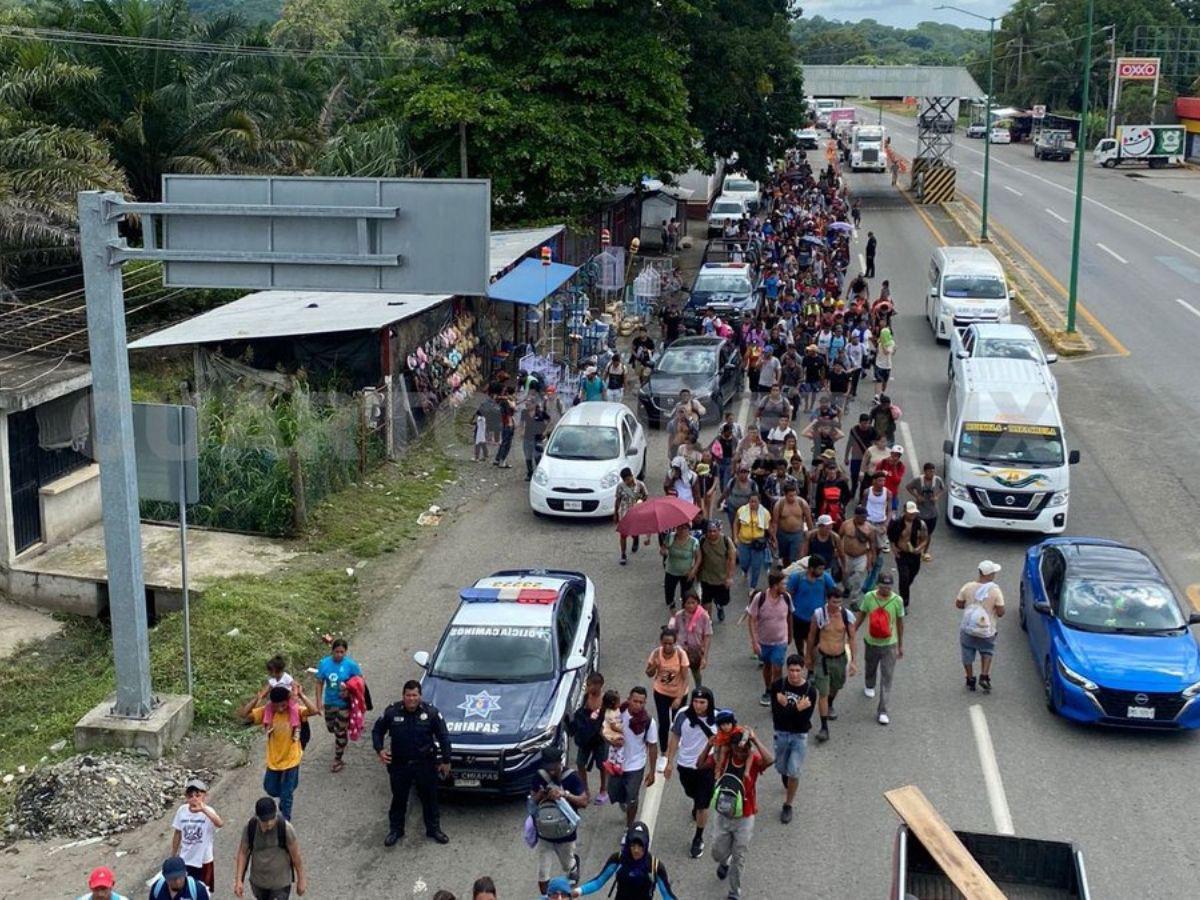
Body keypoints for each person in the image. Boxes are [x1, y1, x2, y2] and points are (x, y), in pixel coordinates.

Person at [698, 722, 773, 900]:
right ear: (731, 747)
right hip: (723, 815)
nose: (741, 753)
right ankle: (724, 862)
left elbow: (769, 760)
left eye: (745, 749)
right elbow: (699, 764)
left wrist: (755, 739)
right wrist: (709, 744)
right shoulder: (722, 758)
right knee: (717, 853)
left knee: (739, 856)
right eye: (737, 750)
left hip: (745, 817)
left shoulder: (753, 760)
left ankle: (734, 892)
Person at [372, 679, 452, 846]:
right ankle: (396, 830)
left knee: (429, 798)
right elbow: (377, 730)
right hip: (400, 764)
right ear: (403, 696)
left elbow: (443, 736)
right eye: (408, 695)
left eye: (415, 695)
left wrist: (446, 760)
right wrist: (380, 749)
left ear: (420, 696)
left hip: (425, 764)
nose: (411, 699)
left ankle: (433, 829)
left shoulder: (431, 713)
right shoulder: (392, 712)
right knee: (399, 798)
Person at [237, 681, 317, 821]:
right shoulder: (266, 712)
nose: (280, 709)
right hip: (274, 760)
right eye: (276, 706)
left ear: (288, 701)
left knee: (286, 796)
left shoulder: (296, 711)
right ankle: (288, 791)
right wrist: (258, 698)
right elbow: (244, 714)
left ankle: (285, 822)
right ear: (271, 704)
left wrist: (301, 695)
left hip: (292, 759)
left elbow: (314, 710)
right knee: (270, 788)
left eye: (283, 705)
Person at [664, 688, 717, 860]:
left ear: (709, 703)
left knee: (703, 804)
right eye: (695, 701)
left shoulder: (717, 717)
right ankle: (696, 802)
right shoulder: (682, 715)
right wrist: (669, 762)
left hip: (706, 767)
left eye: (702, 702)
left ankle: (698, 837)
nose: (698, 705)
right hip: (686, 765)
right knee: (691, 793)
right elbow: (675, 737)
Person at [530, 746, 588, 895]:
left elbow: (584, 801)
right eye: (547, 768)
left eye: (553, 768)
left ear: (559, 763)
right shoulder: (539, 776)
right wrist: (542, 794)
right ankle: (545, 897)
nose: (551, 771)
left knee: (568, 867)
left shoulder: (572, 777)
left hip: (566, 834)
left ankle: (574, 866)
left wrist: (564, 794)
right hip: (544, 833)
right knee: (543, 873)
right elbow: (532, 802)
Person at [770, 655, 818, 824]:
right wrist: (797, 707)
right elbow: (777, 716)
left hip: (799, 735)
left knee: (794, 771)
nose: (794, 674)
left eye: (798, 670)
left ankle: (788, 804)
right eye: (791, 670)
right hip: (781, 733)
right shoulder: (778, 686)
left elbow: (803, 720)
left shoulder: (810, 691)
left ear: (803, 670)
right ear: (787, 669)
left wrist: (788, 708)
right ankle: (786, 777)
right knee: (781, 767)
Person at [574, 822, 677, 899]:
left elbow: (667, 895)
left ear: (646, 845)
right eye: (633, 845)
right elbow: (598, 882)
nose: (636, 850)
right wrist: (578, 891)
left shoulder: (655, 866)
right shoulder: (618, 859)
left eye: (640, 846)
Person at [806, 590, 857, 743]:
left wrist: (854, 661)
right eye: (834, 602)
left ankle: (830, 704)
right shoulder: (819, 615)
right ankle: (824, 727)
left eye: (840, 602)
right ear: (827, 600)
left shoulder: (846, 615)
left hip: (840, 658)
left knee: (836, 686)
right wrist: (808, 656)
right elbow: (811, 636)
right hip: (823, 658)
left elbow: (852, 638)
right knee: (823, 692)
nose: (837, 605)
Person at [855, 572, 904, 725]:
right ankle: (869, 684)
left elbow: (900, 623)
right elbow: (862, 614)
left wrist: (900, 645)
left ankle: (883, 710)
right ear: (878, 585)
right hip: (871, 641)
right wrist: (852, 633)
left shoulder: (897, 601)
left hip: (889, 644)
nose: (885, 590)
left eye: (888, 587)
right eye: (883, 587)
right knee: (870, 666)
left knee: (887, 677)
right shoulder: (869, 597)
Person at [234, 797, 305, 900]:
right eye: (264, 821)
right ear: (257, 817)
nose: (269, 824)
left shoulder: (285, 829)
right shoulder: (250, 827)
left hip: (280, 884)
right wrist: (238, 880)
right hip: (258, 884)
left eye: (271, 819)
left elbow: (296, 856)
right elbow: (243, 853)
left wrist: (301, 879)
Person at [608, 688, 659, 828]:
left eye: (641, 702)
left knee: (632, 798)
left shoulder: (648, 722)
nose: (638, 705)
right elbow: (604, 729)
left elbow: (653, 746)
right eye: (635, 701)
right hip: (616, 763)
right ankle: (623, 801)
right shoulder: (617, 713)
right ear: (629, 699)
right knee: (614, 792)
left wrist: (652, 771)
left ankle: (629, 826)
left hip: (635, 765)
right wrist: (610, 740)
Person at [956, 560, 1006, 693]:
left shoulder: (968, 587)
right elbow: (1001, 612)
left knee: (967, 652)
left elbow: (959, 604)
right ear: (990, 575)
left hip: (968, 629)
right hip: (987, 631)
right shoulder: (995, 590)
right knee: (987, 651)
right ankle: (984, 676)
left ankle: (970, 678)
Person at [314, 638, 363, 773]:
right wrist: (318, 701)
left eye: (342, 652)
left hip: (344, 704)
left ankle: (338, 758)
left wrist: (348, 691)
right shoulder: (324, 664)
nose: (339, 655)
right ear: (332, 651)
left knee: (340, 732)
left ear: (345, 652)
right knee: (332, 729)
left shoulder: (351, 665)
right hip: (329, 702)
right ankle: (341, 740)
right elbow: (319, 683)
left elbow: (360, 682)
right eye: (337, 652)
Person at [746, 571, 793, 707]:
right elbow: (752, 620)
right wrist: (754, 642)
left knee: (777, 667)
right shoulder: (760, 598)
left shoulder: (786, 597)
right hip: (764, 641)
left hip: (780, 641)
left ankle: (777, 693)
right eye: (783, 583)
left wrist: (790, 634)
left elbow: (790, 615)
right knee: (767, 666)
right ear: (775, 585)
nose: (785, 586)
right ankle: (768, 688)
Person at [170, 778, 222, 893]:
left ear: (204, 795)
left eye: (197, 795)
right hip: (186, 859)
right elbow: (177, 833)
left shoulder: (208, 811)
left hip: (204, 860)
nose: (194, 798)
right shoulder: (182, 811)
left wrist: (203, 809)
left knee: (203, 891)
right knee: (185, 890)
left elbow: (219, 823)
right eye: (190, 795)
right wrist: (173, 855)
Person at [646, 627, 691, 753]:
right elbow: (649, 673)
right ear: (661, 642)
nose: (667, 646)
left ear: (675, 643)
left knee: (677, 721)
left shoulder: (681, 655)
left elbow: (686, 679)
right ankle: (663, 752)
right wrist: (654, 666)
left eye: (670, 644)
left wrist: (679, 698)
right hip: (661, 692)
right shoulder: (656, 653)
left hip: (678, 692)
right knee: (664, 723)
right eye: (665, 643)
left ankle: (679, 744)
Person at [785, 555, 836, 656]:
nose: (822, 571)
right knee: (798, 638)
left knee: (814, 643)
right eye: (819, 569)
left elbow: (834, 592)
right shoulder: (797, 577)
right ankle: (800, 654)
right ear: (811, 568)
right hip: (798, 617)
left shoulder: (825, 578)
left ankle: (811, 663)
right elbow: (788, 595)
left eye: (823, 569)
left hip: (817, 618)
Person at [572, 672, 610, 804]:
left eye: (591, 686)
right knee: (580, 762)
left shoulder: (606, 700)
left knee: (603, 765)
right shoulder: (584, 698)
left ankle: (603, 789)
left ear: (599, 685)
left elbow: (613, 716)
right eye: (588, 685)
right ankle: (585, 790)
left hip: (600, 737)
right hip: (586, 736)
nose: (589, 688)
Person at [888, 501, 929, 608]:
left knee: (912, 575)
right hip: (902, 554)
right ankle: (903, 602)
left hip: (915, 555)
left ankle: (904, 589)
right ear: (905, 512)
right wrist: (894, 548)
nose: (912, 515)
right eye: (910, 513)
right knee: (904, 577)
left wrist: (919, 548)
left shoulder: (920, 523)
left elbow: (925, 539)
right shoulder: (896, 523)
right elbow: (891, 537)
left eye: (914, 513)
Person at [696, 520, 737, 622]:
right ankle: (707, 622)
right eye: (709, 531)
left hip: (721, 577)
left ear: (719, 530)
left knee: (723, 600)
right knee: (706, 600)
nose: (712, 533)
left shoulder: (726, 541)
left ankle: (719, 606)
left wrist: (729, 577)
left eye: (714, 531)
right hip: (706, 577)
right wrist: (696, 572)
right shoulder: (702, 540)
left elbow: (732, 559)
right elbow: (698, 557)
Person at [670, 592, 713, 687]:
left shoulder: (704, 616)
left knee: (696, 672)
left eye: (693, 602)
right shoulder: (679, 616)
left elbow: (707, 635)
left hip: (695, 650)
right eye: (688, 603)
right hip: (681, 649)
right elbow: (674, 631)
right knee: (678, 671)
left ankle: (698, 689)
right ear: (684, 604)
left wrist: (704, 656)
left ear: (698, 603)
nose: (690, 605)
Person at [839, 506, 877, 607]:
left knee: (859, 578)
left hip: (861, 556)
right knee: (845, 576)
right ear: (856, 516)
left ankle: (854, 600)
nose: (865, 519)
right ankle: (847, 588)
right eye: (863, 517)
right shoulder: (846, 524)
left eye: (865, 517)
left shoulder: (869, 528)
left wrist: (873, 557)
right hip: (847, 555)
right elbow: (839, 537)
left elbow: (872, 544)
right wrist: (838, 551)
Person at [734, 494, 772, 594]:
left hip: (758, 544)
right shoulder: (742, 510)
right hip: (744, 542)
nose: (753, 504)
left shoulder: (765, 513)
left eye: (755, 501)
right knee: (744, 562)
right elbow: (736, 523)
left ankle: (753, 586)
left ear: (759, 501)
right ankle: (745, 570)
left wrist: (773, 539)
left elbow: (768, 528)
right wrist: (735, 537)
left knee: (756, 566)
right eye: (751, 501)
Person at [906, 463, 945, 561]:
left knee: (929, 534)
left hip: (932, 512)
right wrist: (917, 496)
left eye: (933, 471)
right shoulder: (918, 480)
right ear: (925, 471)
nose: (931, 474)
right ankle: (915, 549)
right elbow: (908, 487)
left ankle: (925, 551)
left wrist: (937, 496)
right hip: (920, 512)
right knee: (917, 532)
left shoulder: (937, 480)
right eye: (929, 471)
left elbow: (943, 489)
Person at [659, 522, 700, 611]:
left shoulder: (694, 541)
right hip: (671, 571)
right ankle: (672, 608)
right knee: (669, 593)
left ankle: (685, 613)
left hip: (686, 573)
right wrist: (663, 551)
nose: (681, 530)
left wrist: (693, 571)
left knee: (686, 594)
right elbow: (663, 548)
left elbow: (698, 558)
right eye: (679, 528)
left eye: (684, 528)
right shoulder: (670, 537)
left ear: (689, 530)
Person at [771, 483, 812, 568]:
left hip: (797, 534)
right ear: (785, 495)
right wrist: (774, 537)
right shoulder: (779, 505)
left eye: (794, 495)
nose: (792, 498)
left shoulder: (802, 503)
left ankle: (792, 573)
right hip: (782, 534)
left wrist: (810, 534)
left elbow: (808, 519)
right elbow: (774, 522)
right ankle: (786, 572)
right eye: (790, 496)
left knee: (794, 558)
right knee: (785, 557)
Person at [614, 467, 649, 565]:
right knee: (623, 535)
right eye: (625, 480)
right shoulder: (620, 487)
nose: (627, 481)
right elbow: (618, 500)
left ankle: (635, 538)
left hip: (636, 513)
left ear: (632, 476)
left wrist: (641, 502)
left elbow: (645, 496)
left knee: (634, 531)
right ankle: (623, 554)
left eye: (628, 479)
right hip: (624, 514)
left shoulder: (640, 485)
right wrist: (616, 513)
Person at [521, 390, 552, 481]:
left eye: (528, 404)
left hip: (538, 438)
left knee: (537, 456)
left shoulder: (541, 413)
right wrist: (521, 430)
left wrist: (545, 432)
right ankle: (529, 473)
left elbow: (549, 420)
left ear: (534, 405)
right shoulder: (524, 412)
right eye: (526, 404)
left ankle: (539, 473)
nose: (527, 406)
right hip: (527, 437)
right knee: (528, 456)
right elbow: (522, 423)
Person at [802, 514, 845, 579]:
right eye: (827, 527)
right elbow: (804, 552)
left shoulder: (835, 537)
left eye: (830, 526)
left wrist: (844, 567)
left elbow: (841, 554)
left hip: (827, 568)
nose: (829, 529)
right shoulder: (811, 536)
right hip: (812, 568)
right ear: (820, 526)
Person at [844, 413, 875, 496]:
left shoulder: (872, 431)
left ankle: (862, 496)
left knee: (864, 479)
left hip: (867, 459)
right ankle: (853, 489)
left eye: (868, 423)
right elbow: (849, 443)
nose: (866, 425)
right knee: (854, 475)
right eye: (864, 423)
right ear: (860, 422)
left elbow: (874, 445)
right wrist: (846, 457)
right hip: (856, 457)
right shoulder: (854, 430)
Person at [862, 471, 893, 553]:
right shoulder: (867, 492)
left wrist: (886, 524)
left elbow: (889, 510)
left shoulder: (888, 493)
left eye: (884, 481)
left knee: (879, 547)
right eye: (880, 480)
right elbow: (863, 507)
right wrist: (863, 521)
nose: (882, 483)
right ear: (874, 481)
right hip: (868, 522)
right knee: (867, 546)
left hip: (880, 523)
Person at [494, 387, 516, 469]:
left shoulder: (503, 401)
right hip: (508, 424)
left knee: (503, 442)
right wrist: (510, 423)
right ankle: (502, 460)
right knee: (507, 443)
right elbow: (509, 414)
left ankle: (498, 458)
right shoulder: (507, 402)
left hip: (504, 423)